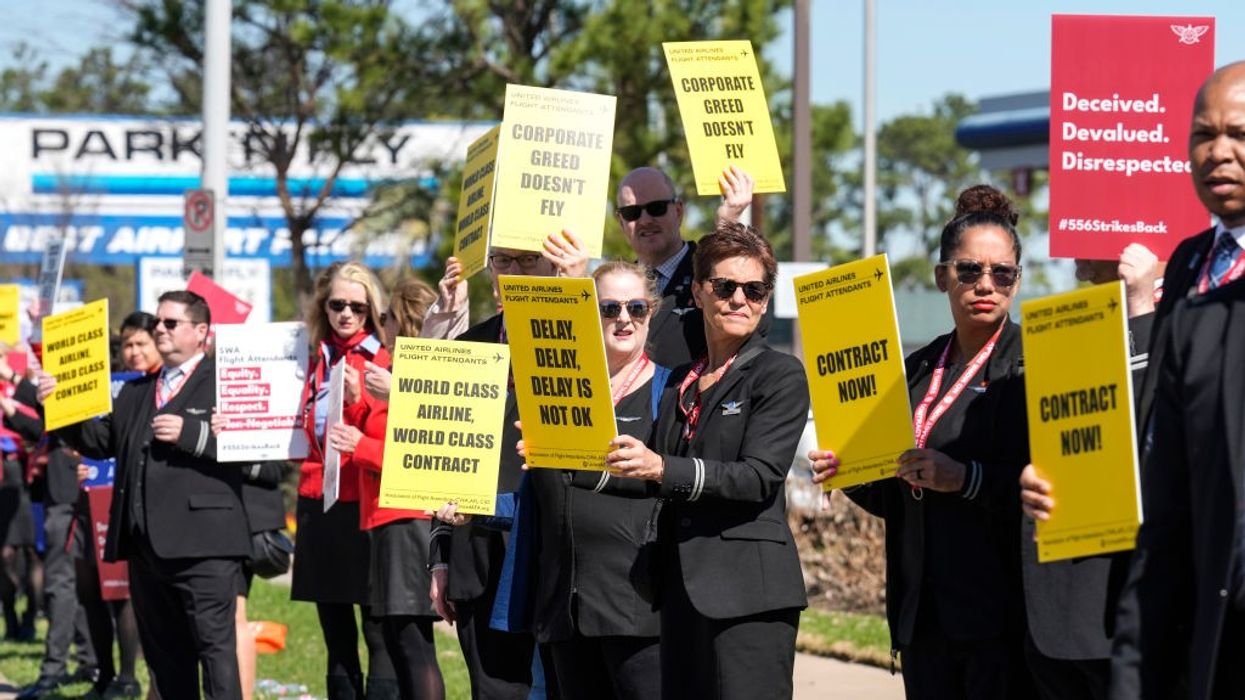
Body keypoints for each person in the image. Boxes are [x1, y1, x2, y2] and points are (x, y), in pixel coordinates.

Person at [810, 186, 1032, 699]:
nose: (986, 285)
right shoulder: (915, 368)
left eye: (1003, 273)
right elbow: (896, 495)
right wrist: (850, 470)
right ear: (941, 277)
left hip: (1002, 619)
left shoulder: (1035, 362)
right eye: (969, 270)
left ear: (1017, 282)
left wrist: (966, 478)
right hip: (923, 615)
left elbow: (1055, 485)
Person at [606, 223, 809, 698]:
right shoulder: (679, 380)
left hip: (749, 597)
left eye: (754, 290)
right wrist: (562, 460)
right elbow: (644, 474)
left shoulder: (779, 374)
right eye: (725, 286)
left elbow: (758, 477)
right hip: (678, 595)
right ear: (698, 292)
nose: (739, 299)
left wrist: (662, 468)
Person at [462, 261, 667, 699]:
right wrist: (472, 504)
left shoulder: (671, 393)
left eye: (637, 307)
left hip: (640, 608)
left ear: (652, 311)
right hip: (565, 609)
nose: (624, 318)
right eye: (609, 308)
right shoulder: (556, 397)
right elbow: (536, 503)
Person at [1109, 61, 1245, 700]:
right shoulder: (1191, 264)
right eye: (1203, 135)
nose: (1219, 152)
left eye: (1239, 133)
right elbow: (1162, 441)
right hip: (1200, 605)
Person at [40, 290, 250, 699]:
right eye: (158, 322)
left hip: (205, 546)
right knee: (166, 657)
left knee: (215, 651)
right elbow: (101, 442)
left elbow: (262, 453)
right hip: (146, 548)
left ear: (201, 331)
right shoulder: (137, 391)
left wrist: (192, 434)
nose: (161, 329)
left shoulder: (226, 379)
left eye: (171, 323)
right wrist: (59, 403)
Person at [429, 233, 586, 699]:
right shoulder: (469, 345)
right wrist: (440, 558)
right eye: (502, 259)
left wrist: (570, 299)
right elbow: (444, 466)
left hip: (561, 555)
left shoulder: (585, 336)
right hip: (480, 556)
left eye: (527, 259)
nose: (512, 270)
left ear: (552, 265)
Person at [1016, 245, 1158, 700]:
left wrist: (1140, 307)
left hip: (1131, 612)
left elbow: (1153, 434)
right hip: (1058, 619)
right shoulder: (1064, 329)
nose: (1074, 243)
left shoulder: (1187, 315)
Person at [341, 265, 467, 700]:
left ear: (406, 320)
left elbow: (418, 450)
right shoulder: (386, 369)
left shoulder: (417, 374)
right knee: (394, 637)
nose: (382, 327)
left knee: (413, 641)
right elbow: (381, 431)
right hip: (383, 515)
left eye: (388, 318)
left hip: (407, 515)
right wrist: (359, 406)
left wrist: (359, 444)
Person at [291, 261, 395, 700]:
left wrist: (357, 401)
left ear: (372, 309)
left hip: (365, 504)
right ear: (324, 307)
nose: (347, 314)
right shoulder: (313, 359)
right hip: (318, 501)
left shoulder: (384, 361)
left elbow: (389, 437)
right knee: (335, 634)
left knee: (378, 632)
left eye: (358, 305)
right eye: (337, 305)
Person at [73, 311, 157, 700]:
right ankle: (104, 674)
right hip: (88, 501)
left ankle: (128, 677)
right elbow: (94, 437)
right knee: (89, 588)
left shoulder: (161, 388)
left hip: (128, 505)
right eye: (127, 344)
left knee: (121, 591)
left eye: (142, 343)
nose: (134, 352)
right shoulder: (104, 386)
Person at [614, 166, 755, 368]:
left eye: (657, 208)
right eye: (632, 212)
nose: (644, 220)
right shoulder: (612, 289)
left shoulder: (710, 271)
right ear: (621, 222)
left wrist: (727, 226)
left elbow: (750, 327)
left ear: (678, 211)